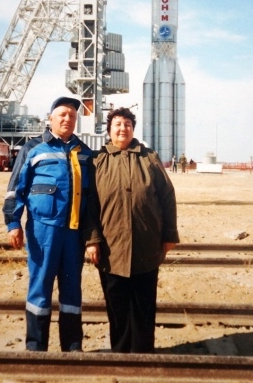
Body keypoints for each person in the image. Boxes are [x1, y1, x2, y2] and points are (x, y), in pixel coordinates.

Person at [3, 96, 100, 352]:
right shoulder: (33, 148)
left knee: (72, 291)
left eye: (72, 115)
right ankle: (36, 350)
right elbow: (15, 189)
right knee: (40, 289)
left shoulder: (84, 152)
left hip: (74, 234)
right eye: (62, 114)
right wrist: (13, 223)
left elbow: (92, 198)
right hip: (42, 231)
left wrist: (91, 237)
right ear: (51, 118)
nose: (67, 119)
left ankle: (72, 348)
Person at [92, 107, 179, 353]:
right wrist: (92, 240)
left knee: (143, 307)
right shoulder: (98, 161)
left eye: (128, 124)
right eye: (118, 124)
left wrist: (169, 234)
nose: (123, 129)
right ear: (109, 130)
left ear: (133, 129)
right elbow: (90, 204)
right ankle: (120, 355)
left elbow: (167, 196)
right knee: (117, 307)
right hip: (111, 249)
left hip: (146, 246)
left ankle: (143, 355)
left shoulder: (149, 158)